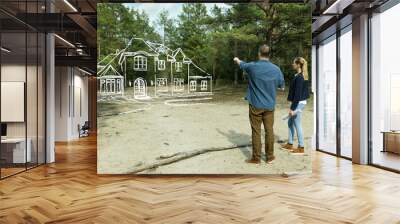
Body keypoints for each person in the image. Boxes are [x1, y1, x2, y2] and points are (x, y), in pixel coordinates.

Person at [233, 44, 285, 164]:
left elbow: (241, 64)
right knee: (269, 130)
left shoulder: (252, 66)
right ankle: (270, 157)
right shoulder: (276, 69)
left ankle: (256, 158)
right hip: (270, 106)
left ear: (259, 54)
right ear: (269, 54)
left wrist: (236, 59)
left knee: (256, 131)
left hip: (255, 105)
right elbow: (282, 87)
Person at [281, 57, 310, 154]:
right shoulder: (300, 75)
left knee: (297, 124)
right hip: (299, 103)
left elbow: (297, 95)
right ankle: (289, 144)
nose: (292, 64)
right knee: (290, 123)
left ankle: (301, 147)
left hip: (298, 104)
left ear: (298, 64)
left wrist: (293, 109)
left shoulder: (300, 77)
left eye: (294, 63)